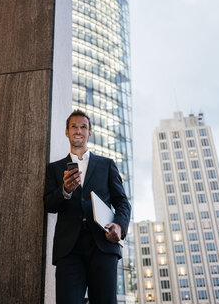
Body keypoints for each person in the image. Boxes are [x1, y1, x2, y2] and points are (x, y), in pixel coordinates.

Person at [44, 109, 131, 304]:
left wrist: (119, 225)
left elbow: (122, 202)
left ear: (89, 133)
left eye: (83, 127)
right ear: (66, 132)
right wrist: (65, 190)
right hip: (69, 249)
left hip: (102, 244)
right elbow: (49, 204)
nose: (78, 130)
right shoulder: (54, 169)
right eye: (73, 126)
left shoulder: (106, 165)